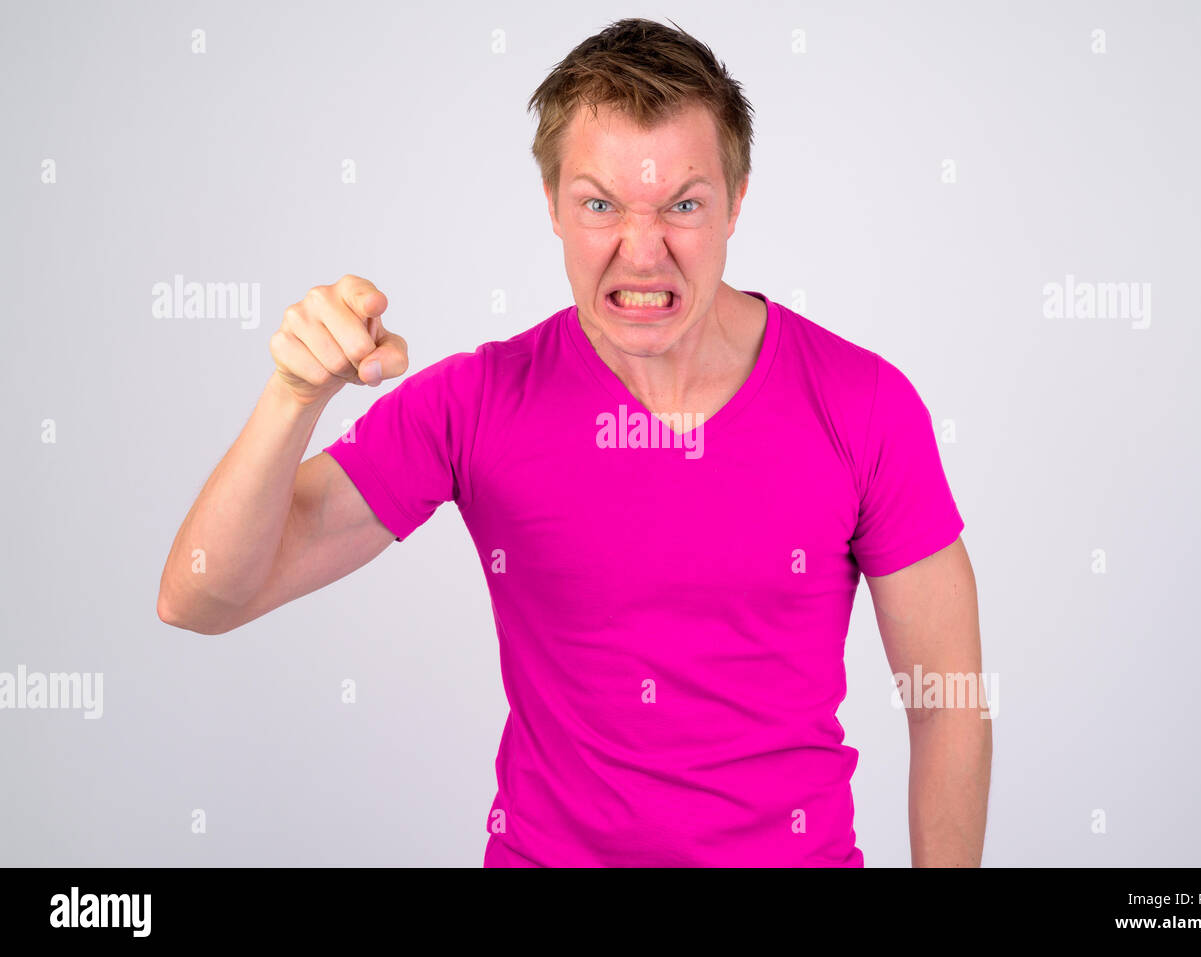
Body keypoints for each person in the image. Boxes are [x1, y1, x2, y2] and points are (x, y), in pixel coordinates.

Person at [157, 17, 991, 867]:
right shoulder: (476, 402)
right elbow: (201, 597)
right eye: (600, 205)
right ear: (553, 204)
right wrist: (293, 396)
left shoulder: (863, 404)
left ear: (737, 201)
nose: (643, 253)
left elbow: (948, 698)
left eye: (684, 205)